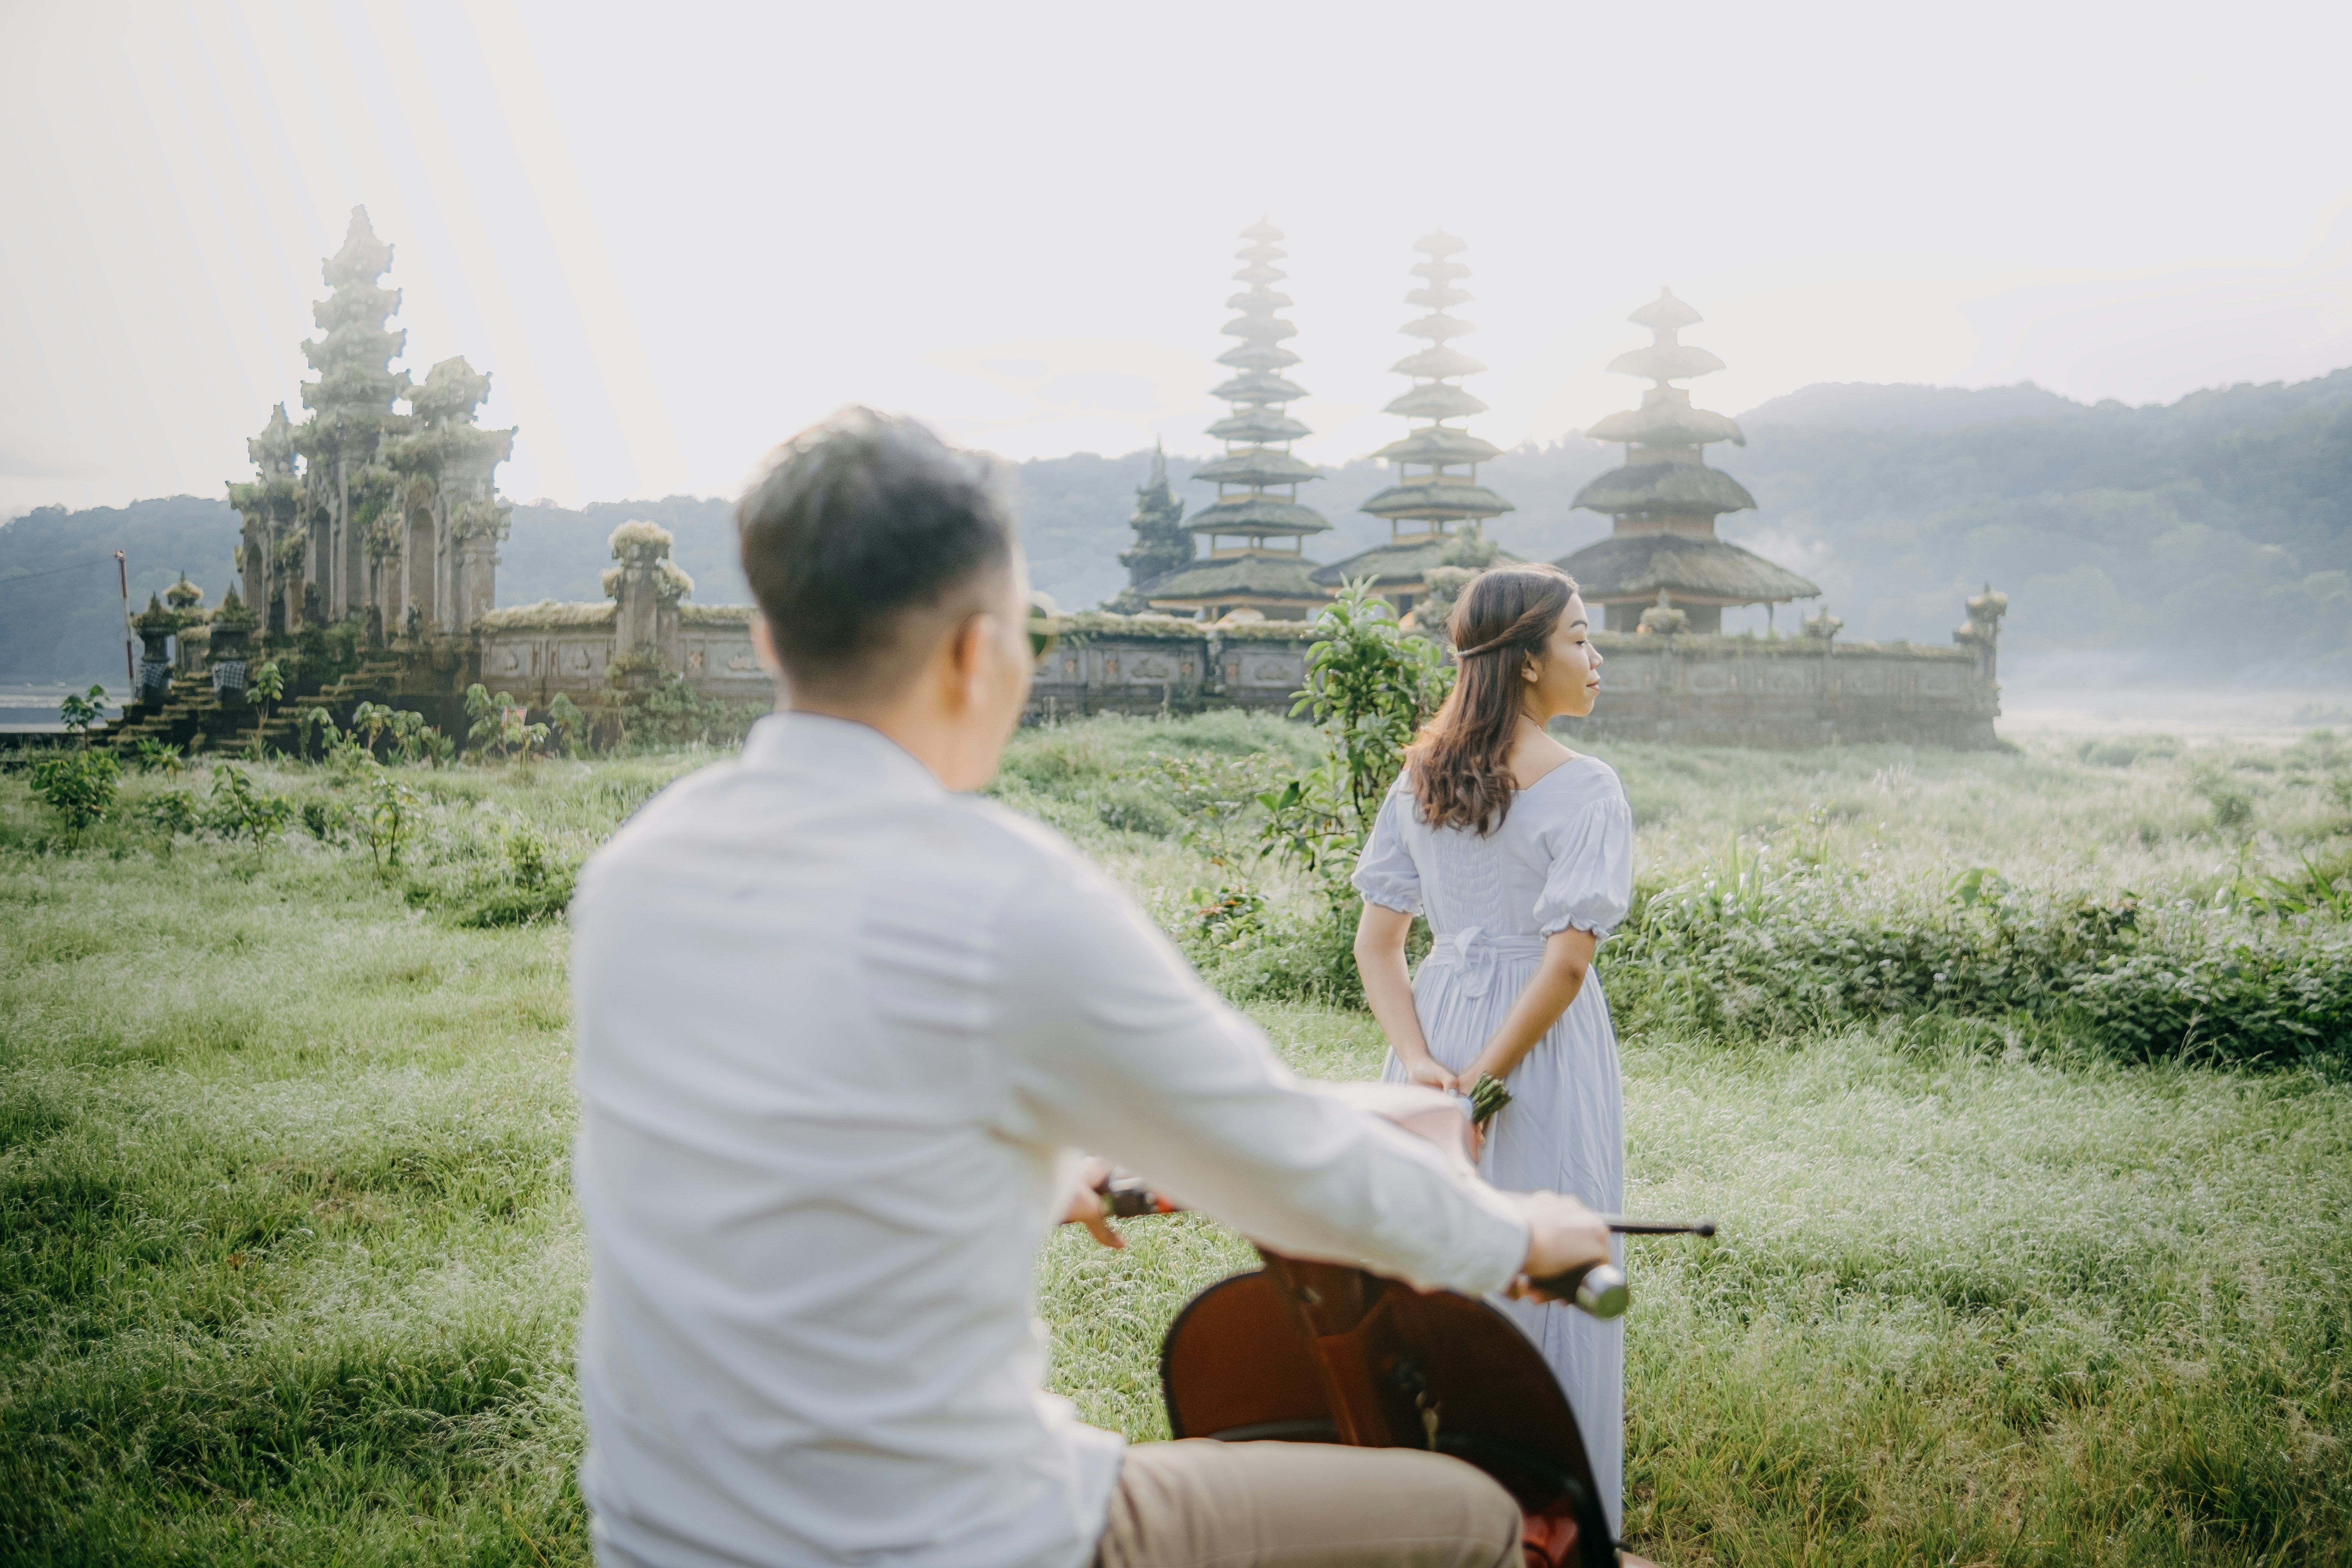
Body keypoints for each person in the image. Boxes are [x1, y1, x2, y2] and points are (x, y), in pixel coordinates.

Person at [569, 409, 1614, 1568]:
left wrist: (1040, 1172)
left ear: (770, 638)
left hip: (653, 1535)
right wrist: (1516, 1231)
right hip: (960, 1540)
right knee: (1489, 1519)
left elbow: (797, 1136)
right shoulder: (1001, 894)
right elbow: (1282, 1154)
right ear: (980, 653)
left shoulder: (635, 875)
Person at [1350, 564, 1635, 1536]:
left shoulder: (1422, 772)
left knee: (1443, 1258)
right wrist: (1487, 1079)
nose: (1597, 660)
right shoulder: (1588, 787)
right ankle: (1557, 1517)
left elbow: (1378, 946)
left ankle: (1441, 1511)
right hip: (1535, 1048)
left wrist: (1427, 1066)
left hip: (1435, 1031)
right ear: (1524, 663)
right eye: (1581, 639)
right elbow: (1562, 969)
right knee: (1551, 1250)